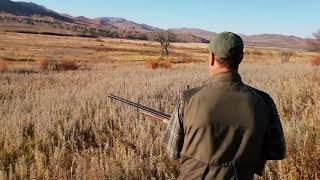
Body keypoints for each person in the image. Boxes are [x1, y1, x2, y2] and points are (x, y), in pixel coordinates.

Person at [163, 32, 286, 180]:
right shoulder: (264, 101)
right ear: (241, 58)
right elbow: (277, 151)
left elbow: (172, 152)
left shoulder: (188, 99)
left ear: (212, 58)